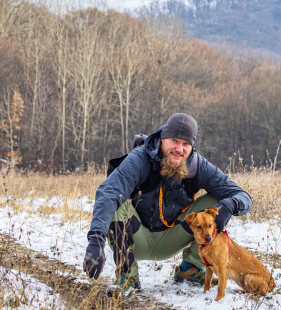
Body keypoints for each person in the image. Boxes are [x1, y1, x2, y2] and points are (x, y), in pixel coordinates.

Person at [83, 113, 253, 294]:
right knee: (116, 200)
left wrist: (229, 206)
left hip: (173, 238)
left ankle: (192, 269)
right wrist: (96, 239)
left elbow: (243, 196)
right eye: (174, 140)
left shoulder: (198, 166)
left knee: (219, 202)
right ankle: (128, 276)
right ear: (162, 138)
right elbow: (107, 192)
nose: (179, 148)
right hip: (137, 238)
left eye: (186, 143)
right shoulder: (139, 159)